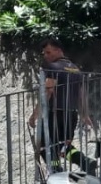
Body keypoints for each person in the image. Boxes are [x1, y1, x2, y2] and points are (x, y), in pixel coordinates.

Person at [28, 38, 96, 174]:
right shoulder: (76, 69)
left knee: (44, 146)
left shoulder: (53, 67)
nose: (46, 56)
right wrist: (84, 114)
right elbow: (81, 95)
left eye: (48, 52)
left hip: (55, 113)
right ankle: (84, 162)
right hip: (71, 114)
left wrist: (34, 115)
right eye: (44, 54)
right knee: (63, 146)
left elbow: (47, 92)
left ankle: (56, 170)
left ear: (58, 50)